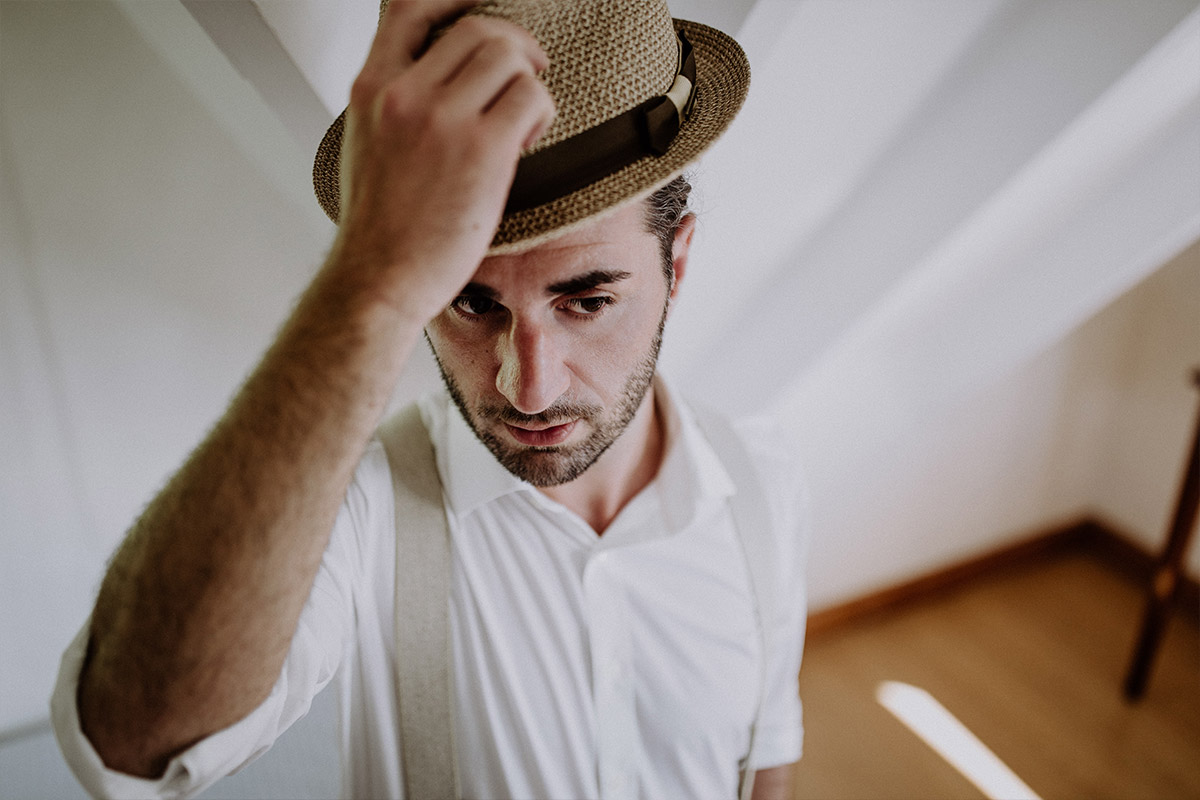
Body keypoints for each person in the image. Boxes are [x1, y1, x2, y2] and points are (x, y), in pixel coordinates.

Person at [50, 1, 808, 797]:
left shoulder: (762, 482)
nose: (529, 386)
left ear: (677, 265)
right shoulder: (361, 510)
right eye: (472, 303)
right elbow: (133, 745)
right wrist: (370, 281)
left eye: (586, 302)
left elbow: (766, 760)